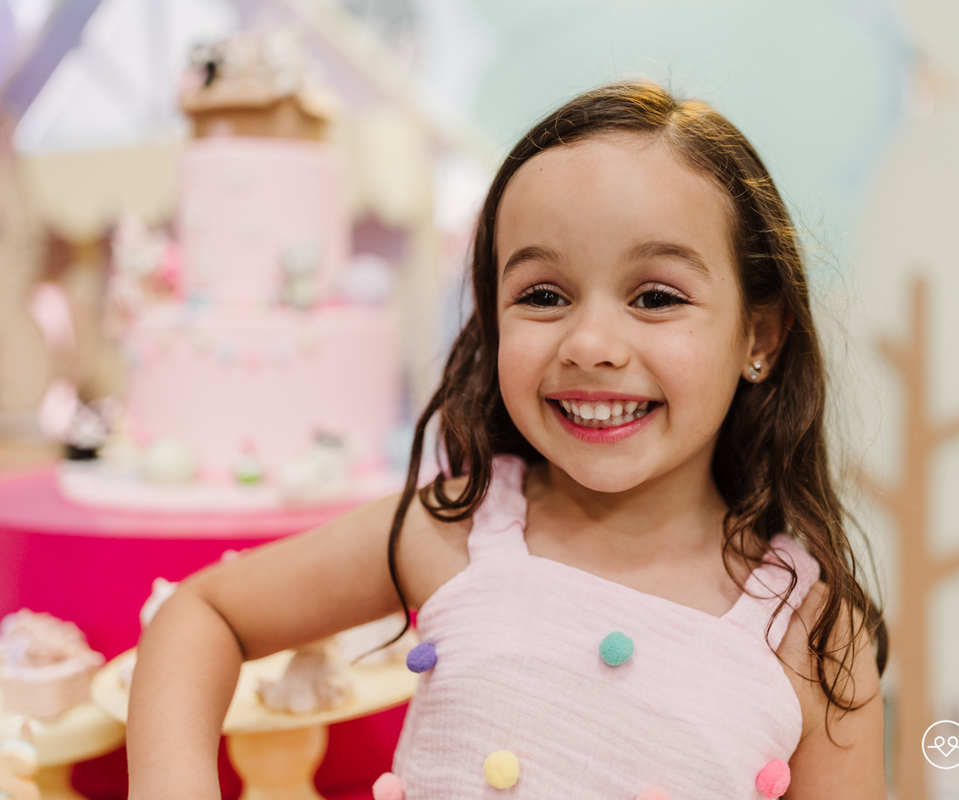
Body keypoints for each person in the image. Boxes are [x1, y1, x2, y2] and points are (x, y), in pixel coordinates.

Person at [127, 80, 888, 800]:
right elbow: (202, 615)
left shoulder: (815, 641)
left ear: (759, 334)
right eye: (543, 295)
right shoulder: (454, 530)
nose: (590, 343)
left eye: (655, 297)